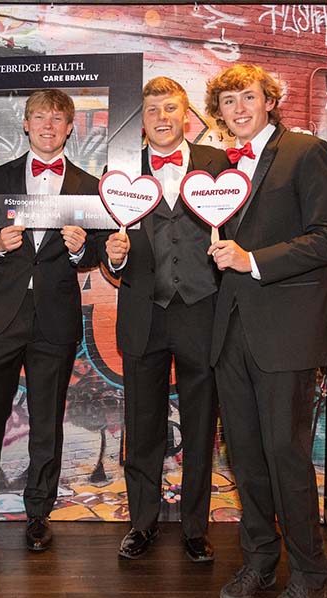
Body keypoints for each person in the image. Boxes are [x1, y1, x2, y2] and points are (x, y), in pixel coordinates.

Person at [204, 64, 327, 598]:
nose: (239, 108)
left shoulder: (305, 152)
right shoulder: (217, 166)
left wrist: (254, 261)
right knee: (244, 456)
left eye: (249, 97)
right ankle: (261, 560)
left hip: (286, 331)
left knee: (286, 456)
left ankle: (310, 575)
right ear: (219, 112)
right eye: (228, 101)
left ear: (270, 100)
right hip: (231, 330)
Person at [0, 89, 100, 552]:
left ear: (69, 127)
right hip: (1, 311)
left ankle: (38, 512)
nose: (48, 125)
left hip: (55, 317)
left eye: (58, 119)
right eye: (39, 117)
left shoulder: (88, 182)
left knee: (46, 422)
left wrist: (81, 248)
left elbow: (99, 250)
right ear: (25, 124)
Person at [104, 77, 229, 561]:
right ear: (142, 118)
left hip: (202, 310)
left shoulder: (216, 164)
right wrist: (112, 257)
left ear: (185, 115)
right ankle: (143, 523)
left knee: (201, 426)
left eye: (170, 107)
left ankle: (196, 528)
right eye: (152, 108)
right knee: (143, 426)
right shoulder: (121, 170)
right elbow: (103, 244)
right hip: (144, 313)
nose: (161, 117)